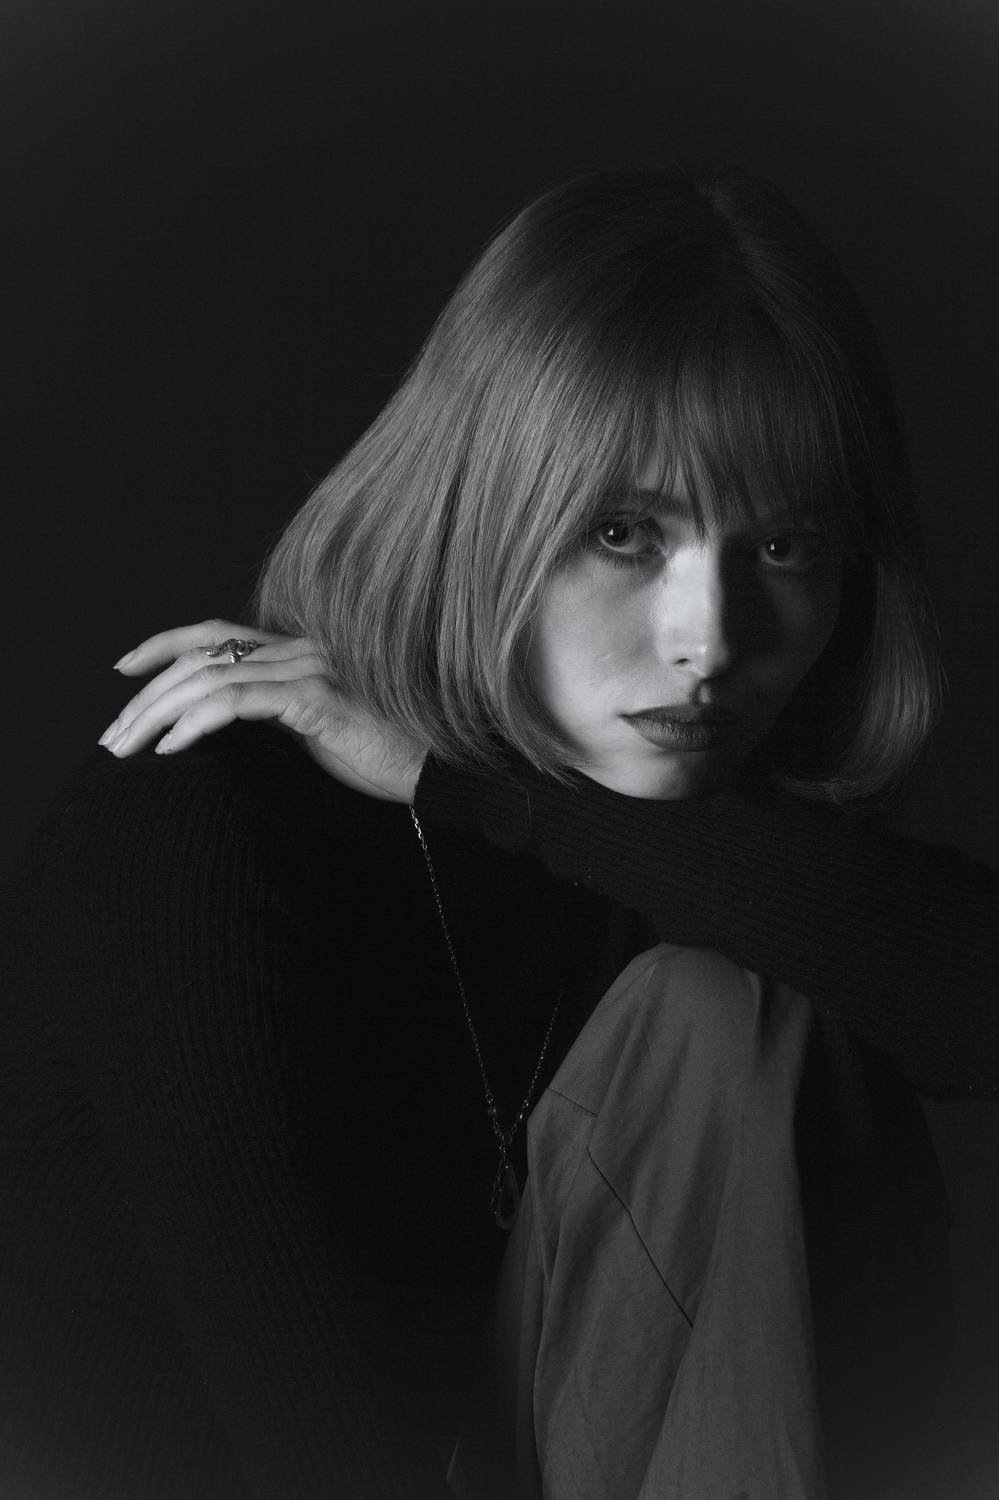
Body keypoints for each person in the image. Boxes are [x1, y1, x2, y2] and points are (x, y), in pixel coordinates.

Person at [2, 165, 996, 1500]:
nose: (710, 645)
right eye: (624, 534)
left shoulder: (661, 860)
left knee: (739, 1012)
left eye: (783, 550)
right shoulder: (203, 822)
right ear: (482, 510)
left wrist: (467, 790)